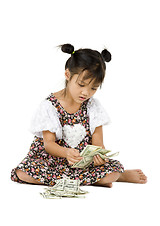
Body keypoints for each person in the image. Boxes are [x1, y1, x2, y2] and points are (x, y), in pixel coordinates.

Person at [11, 43, 147, 187]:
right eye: (81, 85)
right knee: (23, 172)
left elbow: (98, 143)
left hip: (82, 163)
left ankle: (116, 176)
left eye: (93, 88)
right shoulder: (49, 106)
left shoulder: (92, 106)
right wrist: (67, 153)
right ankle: (98, 179)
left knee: (112, 170)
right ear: (67, 75)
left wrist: (98, 155)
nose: (86, 93)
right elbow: (49, 144)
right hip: (52, 160)